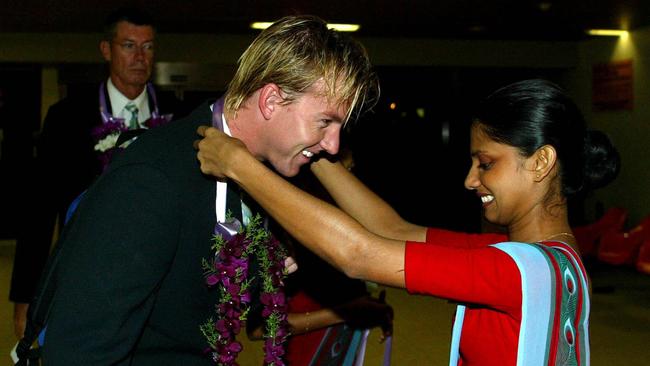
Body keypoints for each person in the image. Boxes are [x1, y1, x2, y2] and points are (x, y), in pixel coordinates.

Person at [196, 79, 621, 365]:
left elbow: (358, 255)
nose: (471, 180)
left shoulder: (514, 270)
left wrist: (239, 165)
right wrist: (313, 153)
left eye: (486, 163)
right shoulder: (547, 262)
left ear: (542, 161)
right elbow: (395, 230)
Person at [38, 15, 378, 365]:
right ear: (271, 100)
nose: (334, 146)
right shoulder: (154, 179)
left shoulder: (271, 174)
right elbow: (80, 350)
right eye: (324, 122)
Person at [9, 6, 185, 340]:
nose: (139, 57)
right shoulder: (67, 117)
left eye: (148, 47)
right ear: (106, 50)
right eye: (128, 46)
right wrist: (25, 296)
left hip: (164, 288)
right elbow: (40, 210)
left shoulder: (177, 116)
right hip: (88, 280)